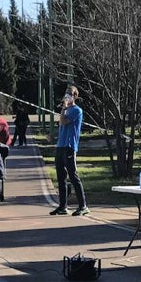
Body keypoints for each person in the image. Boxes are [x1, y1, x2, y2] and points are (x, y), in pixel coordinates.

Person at [50, 85, 89, 216]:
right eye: (66, 93)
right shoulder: (65, 110)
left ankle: (83, 205)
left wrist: (64, 107)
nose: (67, 96)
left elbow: (63, 121)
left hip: (69, 146)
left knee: (73, 176)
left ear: (75, 97)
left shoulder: (76, 110)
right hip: (61, 145)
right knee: (61, 177)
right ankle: (62, 206)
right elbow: (61, 126)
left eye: (70, 94)